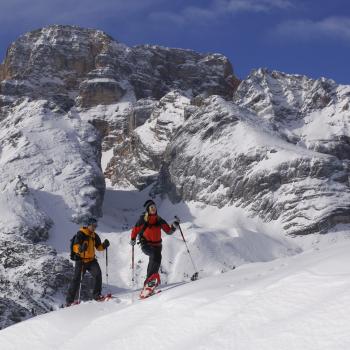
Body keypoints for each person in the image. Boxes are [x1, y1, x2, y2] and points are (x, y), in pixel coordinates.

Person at [130, 199, 179, 288]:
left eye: (154, 207)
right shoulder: (143, 219)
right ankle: (150, 281)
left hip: (157, 246)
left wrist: (174, 226)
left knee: (157, 259)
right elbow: (135, 229)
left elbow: (168, 231)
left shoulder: (159, 219)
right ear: (148, 209)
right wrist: (133, 239)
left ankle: (149, 281)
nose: (153, 209)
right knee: (154, 255)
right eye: (151, 207)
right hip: (146, 245)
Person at [66, 218, 110, 305]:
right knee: (76, 279)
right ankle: (69, 301)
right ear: (88, 225)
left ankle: (97, 295)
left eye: (96, 226)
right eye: (93, 225)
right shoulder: (81, 234)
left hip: (91, 260)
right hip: (81, 261)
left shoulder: (94, 235)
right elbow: (75, 246)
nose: (94, 227)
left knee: (98, 274)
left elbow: (99, 247)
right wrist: (80, 248)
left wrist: (104, 245)